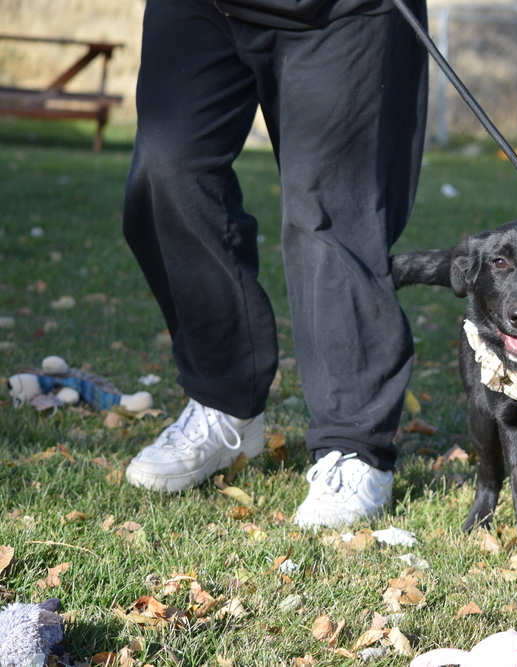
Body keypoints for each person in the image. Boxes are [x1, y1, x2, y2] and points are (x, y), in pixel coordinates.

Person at [120, 0, 428, 527]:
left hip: (343, 13)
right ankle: (225, 405)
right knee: (166, 173)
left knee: (331, 211)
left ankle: (354, 446)